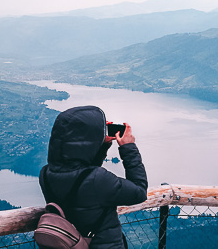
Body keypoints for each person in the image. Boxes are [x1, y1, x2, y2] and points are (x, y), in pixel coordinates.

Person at [39, 105, 148, 248]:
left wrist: (102, 145)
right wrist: (128, 148)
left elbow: (82, 175)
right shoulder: (98, 179)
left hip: (72, 243)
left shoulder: (46, 174)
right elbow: (139, 192)